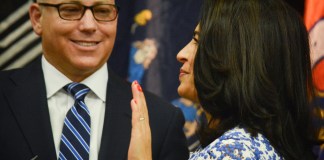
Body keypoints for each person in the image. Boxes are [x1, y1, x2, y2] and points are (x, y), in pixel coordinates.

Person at [128, 0, 319, 159]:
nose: (181, 54)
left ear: (238, 59)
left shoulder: (231, 152)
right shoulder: (260, 146)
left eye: (197, 41)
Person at [0, 0, 189, 159]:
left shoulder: (161, 120)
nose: (89, 25)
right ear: (37, 18)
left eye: (103, 11)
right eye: (71, 10)